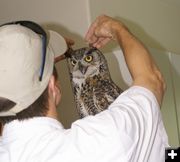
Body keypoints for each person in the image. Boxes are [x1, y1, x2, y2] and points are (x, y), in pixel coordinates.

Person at [0, 15, 168, 162]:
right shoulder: (102, 142)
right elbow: (152, 80)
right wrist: (118, 29)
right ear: (52, 86)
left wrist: (41, 67)